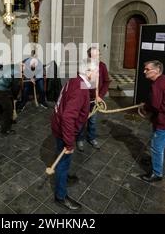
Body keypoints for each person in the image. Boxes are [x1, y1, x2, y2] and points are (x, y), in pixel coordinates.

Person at [51, 59, 98, 210]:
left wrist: (92, 98)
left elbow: (82, 94)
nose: (98, 74)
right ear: (89, 72)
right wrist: (69, 142)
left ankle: (63, 179)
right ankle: (60, 196)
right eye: (96, 72)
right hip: (64, 129)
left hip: (60, 125)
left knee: (64, 162)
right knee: (62, 163)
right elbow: (68, 117)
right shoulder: (79, 89)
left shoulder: (76, 79)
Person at [139, 60, 165, 182]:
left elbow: (155, 105)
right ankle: (154, 160)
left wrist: (145, 106)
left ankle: (157, 173)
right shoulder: (164, 80)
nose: (144, 71)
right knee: (158, 143)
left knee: (156, 147)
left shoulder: (157, 84)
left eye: (147, 69)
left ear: (156, 70)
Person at [76, 47, 110, 151]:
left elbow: (106, 82)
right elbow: (79, 81)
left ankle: (92, 137)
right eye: (92, 55)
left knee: (93, 120)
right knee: (82, 119)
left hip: (95, 99)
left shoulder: (102, 66)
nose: (95, 57)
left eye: (97, 55)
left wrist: (100, 95)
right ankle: (80, 139)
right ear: (89, 56)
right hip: (85, 98)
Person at [0, 64, 21, 135]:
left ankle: (8, 119)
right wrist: (15, 97)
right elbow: (15, 87)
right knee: (8, 109)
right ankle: (5, 130)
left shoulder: (11, 65)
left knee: (7, 103)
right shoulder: (18, 72)